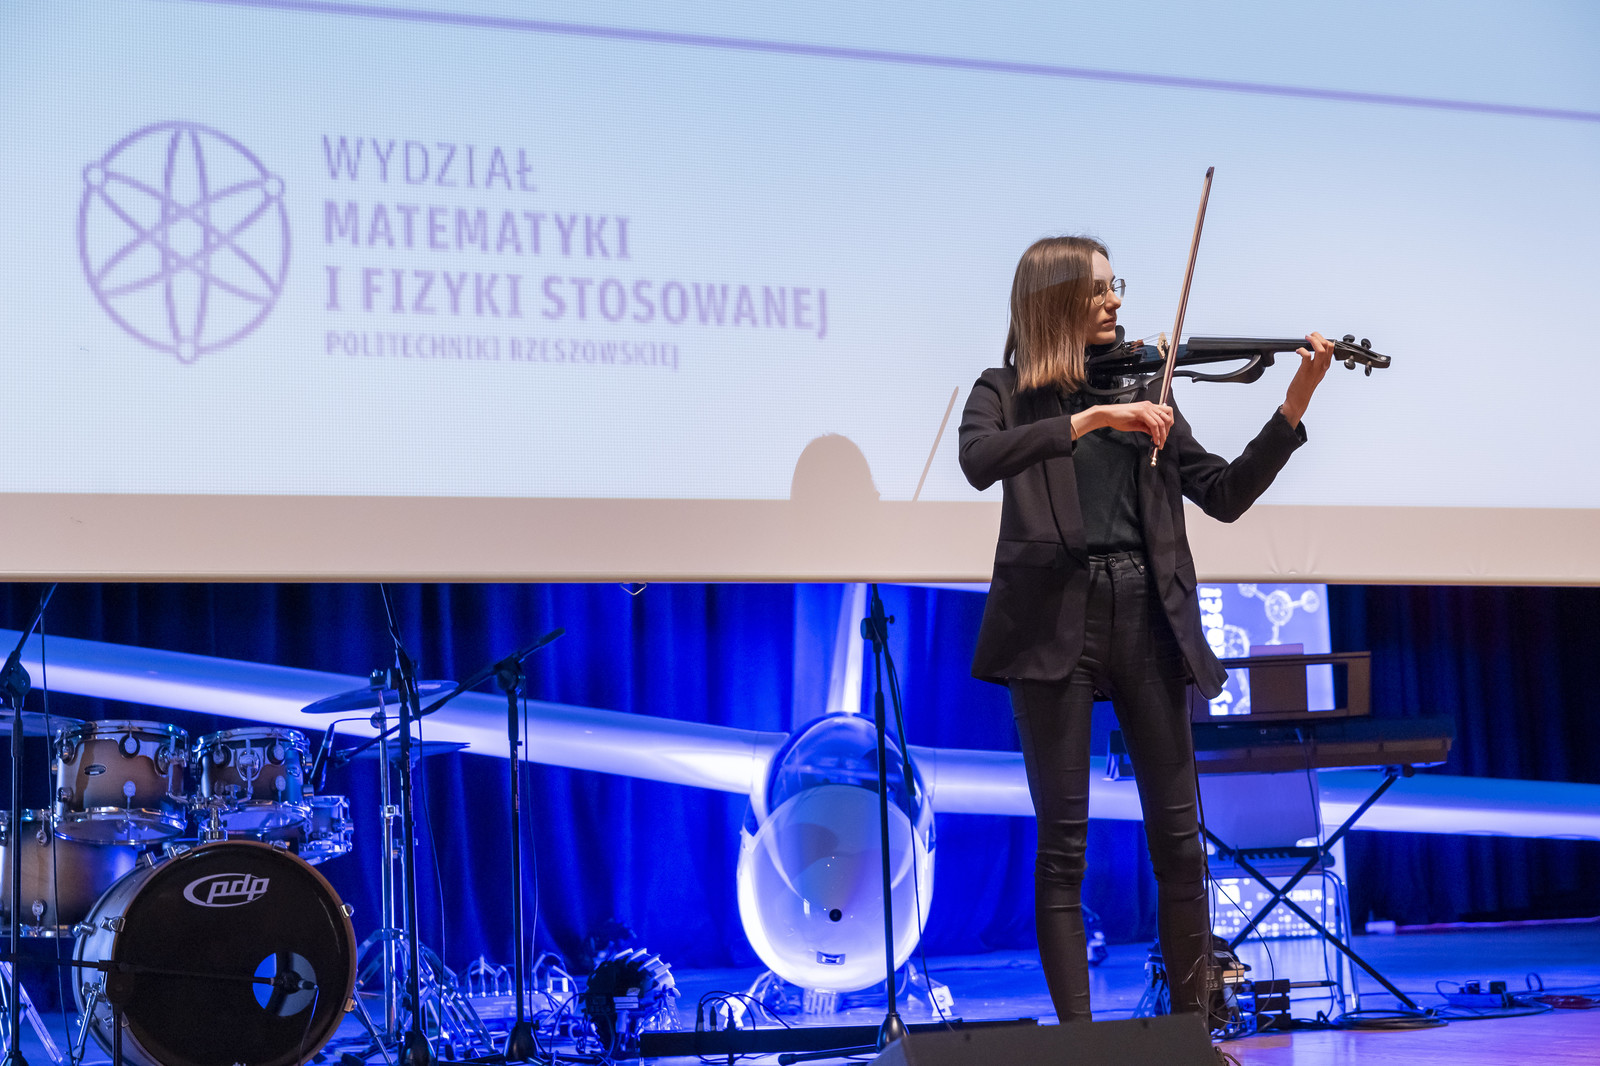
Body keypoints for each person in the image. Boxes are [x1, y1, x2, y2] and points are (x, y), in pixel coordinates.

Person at [957, 235, 1334, 1023]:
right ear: (1054, 301)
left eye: (1114, 286)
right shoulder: (1006, 390)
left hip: (1146, 613)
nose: (1116, 301)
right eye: (1097, 290)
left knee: (1179, 842)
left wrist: (1293, 406)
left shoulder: (1147, 384)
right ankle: (1080, 1043)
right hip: (1051, 621)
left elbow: (1223, 494)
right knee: (1063, 847)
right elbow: (980, 460)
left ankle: (1191, 1033)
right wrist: (1094, 416)